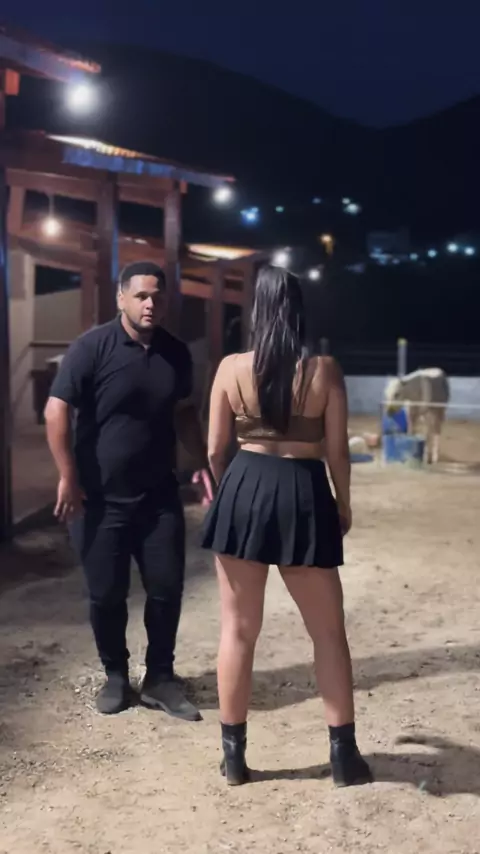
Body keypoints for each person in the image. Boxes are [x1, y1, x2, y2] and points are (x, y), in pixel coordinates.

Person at [201, 265, 373, 788]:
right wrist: (343, 502)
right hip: (304, 491)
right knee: (328, 633)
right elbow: (337, 451)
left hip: (244, 485)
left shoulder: (231, 368)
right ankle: (343, 757)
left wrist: (234, 491)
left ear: (256, 310)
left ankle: (234, 759)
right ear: (298, 311)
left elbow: (215, 449)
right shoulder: (324, 371)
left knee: (237, 630)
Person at [44, 261, 213, 719]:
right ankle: (116, 676)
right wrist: (67, 476)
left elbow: (183, 412)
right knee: (106, 595)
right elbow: (56, 410)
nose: (149, 304)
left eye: (157, 296)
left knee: (166, 589)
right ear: (121, 298)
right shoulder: (92, 347)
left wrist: (202, 463)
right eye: (140, 296)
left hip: (158, 497)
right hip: (99, 500)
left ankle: (160, 678)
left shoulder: (175, 353)